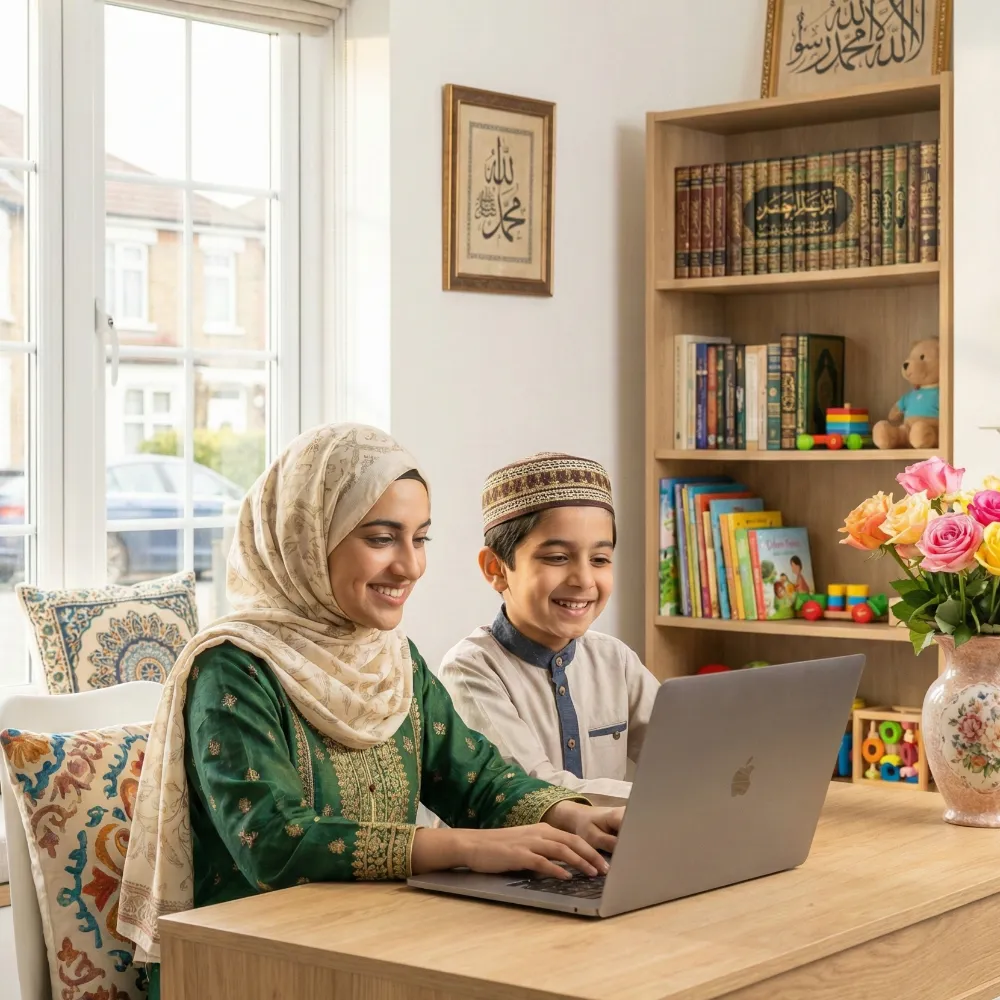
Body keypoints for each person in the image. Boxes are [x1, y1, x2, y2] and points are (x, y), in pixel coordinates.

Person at [117, 427, 622, 999]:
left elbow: (475, 779)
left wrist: (570, 817)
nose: (410, 566)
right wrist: (466, 847)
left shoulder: (392, 659)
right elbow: (274, 844)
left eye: (421, 539)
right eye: (383, 539)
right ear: (307, 539)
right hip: (247, 964)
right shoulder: (234, 668)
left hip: (374, 945)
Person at [439, 453, 659, 799]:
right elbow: (534, 789)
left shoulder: (615, 659)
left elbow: (683, 754)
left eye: (600, 560)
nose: (584, 580)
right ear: (496, 569)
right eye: (557, 558)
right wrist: (662, 798)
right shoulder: (469, 671)